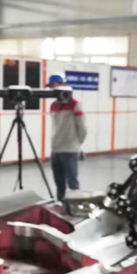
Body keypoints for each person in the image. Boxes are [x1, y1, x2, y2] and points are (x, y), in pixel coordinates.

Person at [47, 73, 87, 201]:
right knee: (59, 183)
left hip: (70, 150)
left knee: (72, 183)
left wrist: (76, 144)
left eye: (53, 85)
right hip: (56, 149)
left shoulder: (75, 104)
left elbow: (82, 128)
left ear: (62, 84)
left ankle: (74, 205)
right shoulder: (53, 105)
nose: (52, 89)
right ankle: (60, 204)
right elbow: (56, 127)